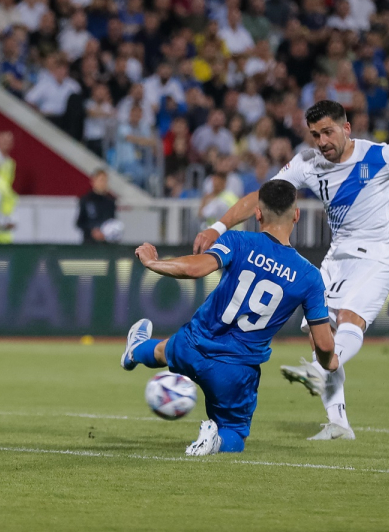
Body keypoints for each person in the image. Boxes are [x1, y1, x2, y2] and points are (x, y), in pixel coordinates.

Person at [193, 100, 389, 440]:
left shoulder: (382, 156)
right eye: (315, 135)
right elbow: (261, 197)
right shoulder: (307, 163)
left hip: (376, 257)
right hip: (337, 257)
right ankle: (338, 423)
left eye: (328, 132)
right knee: (318, 334)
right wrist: (218, 227)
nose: (322, 141)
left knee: (349, 318)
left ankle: (316, 371)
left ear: (346, 128)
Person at [122, 180, 337, 455]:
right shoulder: (309, 276)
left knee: (165, 350)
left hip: (194, 344)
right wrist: (328, 362)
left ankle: (135, 351)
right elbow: (324, 344)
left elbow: (196, 269)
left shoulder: (237, 240)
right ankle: (214, 441)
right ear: (296, 215)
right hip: (236, 370)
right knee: (234, 432)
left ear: (258, 214)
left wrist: (154, 263)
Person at [76, 169, 117, 243]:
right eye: (101, 180)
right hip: (89, 243)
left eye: (105, 180)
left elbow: (112, 221)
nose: (103, 183)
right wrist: (92, 231)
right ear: (93, 181)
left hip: (106, 244)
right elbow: (80, 222)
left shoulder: (110, 201)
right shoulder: (86, 200)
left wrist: (106, 233)